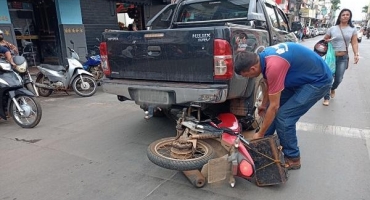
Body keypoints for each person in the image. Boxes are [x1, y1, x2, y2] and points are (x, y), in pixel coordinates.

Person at [234, 42, 333, 170]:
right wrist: (264, 104)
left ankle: (293, 158)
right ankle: (262, 145)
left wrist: (259, 133)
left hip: (318, 81)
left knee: (284, 117)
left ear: (252, 69)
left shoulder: (274, 66)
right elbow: (268, 82)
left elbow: (274, 107)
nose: (248, 78)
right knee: (271, 110)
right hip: (298, 78)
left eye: (246, 75)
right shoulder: (263, 57)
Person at [322, 8, 359, 106]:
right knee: (328, 77)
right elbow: (324, 40)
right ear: (340, 16)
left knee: (338, 78)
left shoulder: (352, 29)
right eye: (343, 14)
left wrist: (356, 54)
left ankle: (333, 88)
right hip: (331, 57)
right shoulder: (332, 29)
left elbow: (354, 42)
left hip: (343, 58)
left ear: (350, 17)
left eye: (347, 14)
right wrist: (327, 40)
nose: (345, 16)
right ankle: (326, 97)